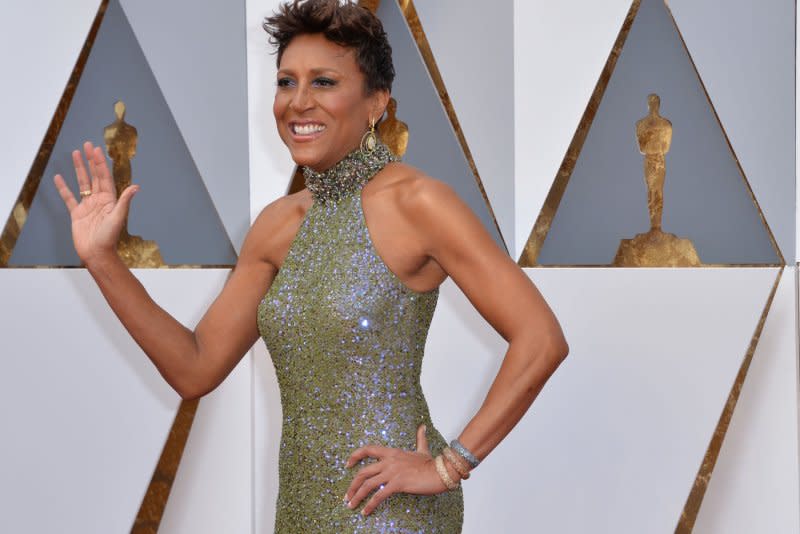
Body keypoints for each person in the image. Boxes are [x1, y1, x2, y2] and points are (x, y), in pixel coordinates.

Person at [52, 0, 568, 531]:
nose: (297, 103)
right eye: (285, 82)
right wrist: (102, 260)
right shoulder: (277, 225)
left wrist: (449, 464)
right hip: (301, 508)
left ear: (377, 102)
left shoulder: (419, 203)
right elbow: (195, 367)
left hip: (389, 512)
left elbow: (541, 338)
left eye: (323, 82)